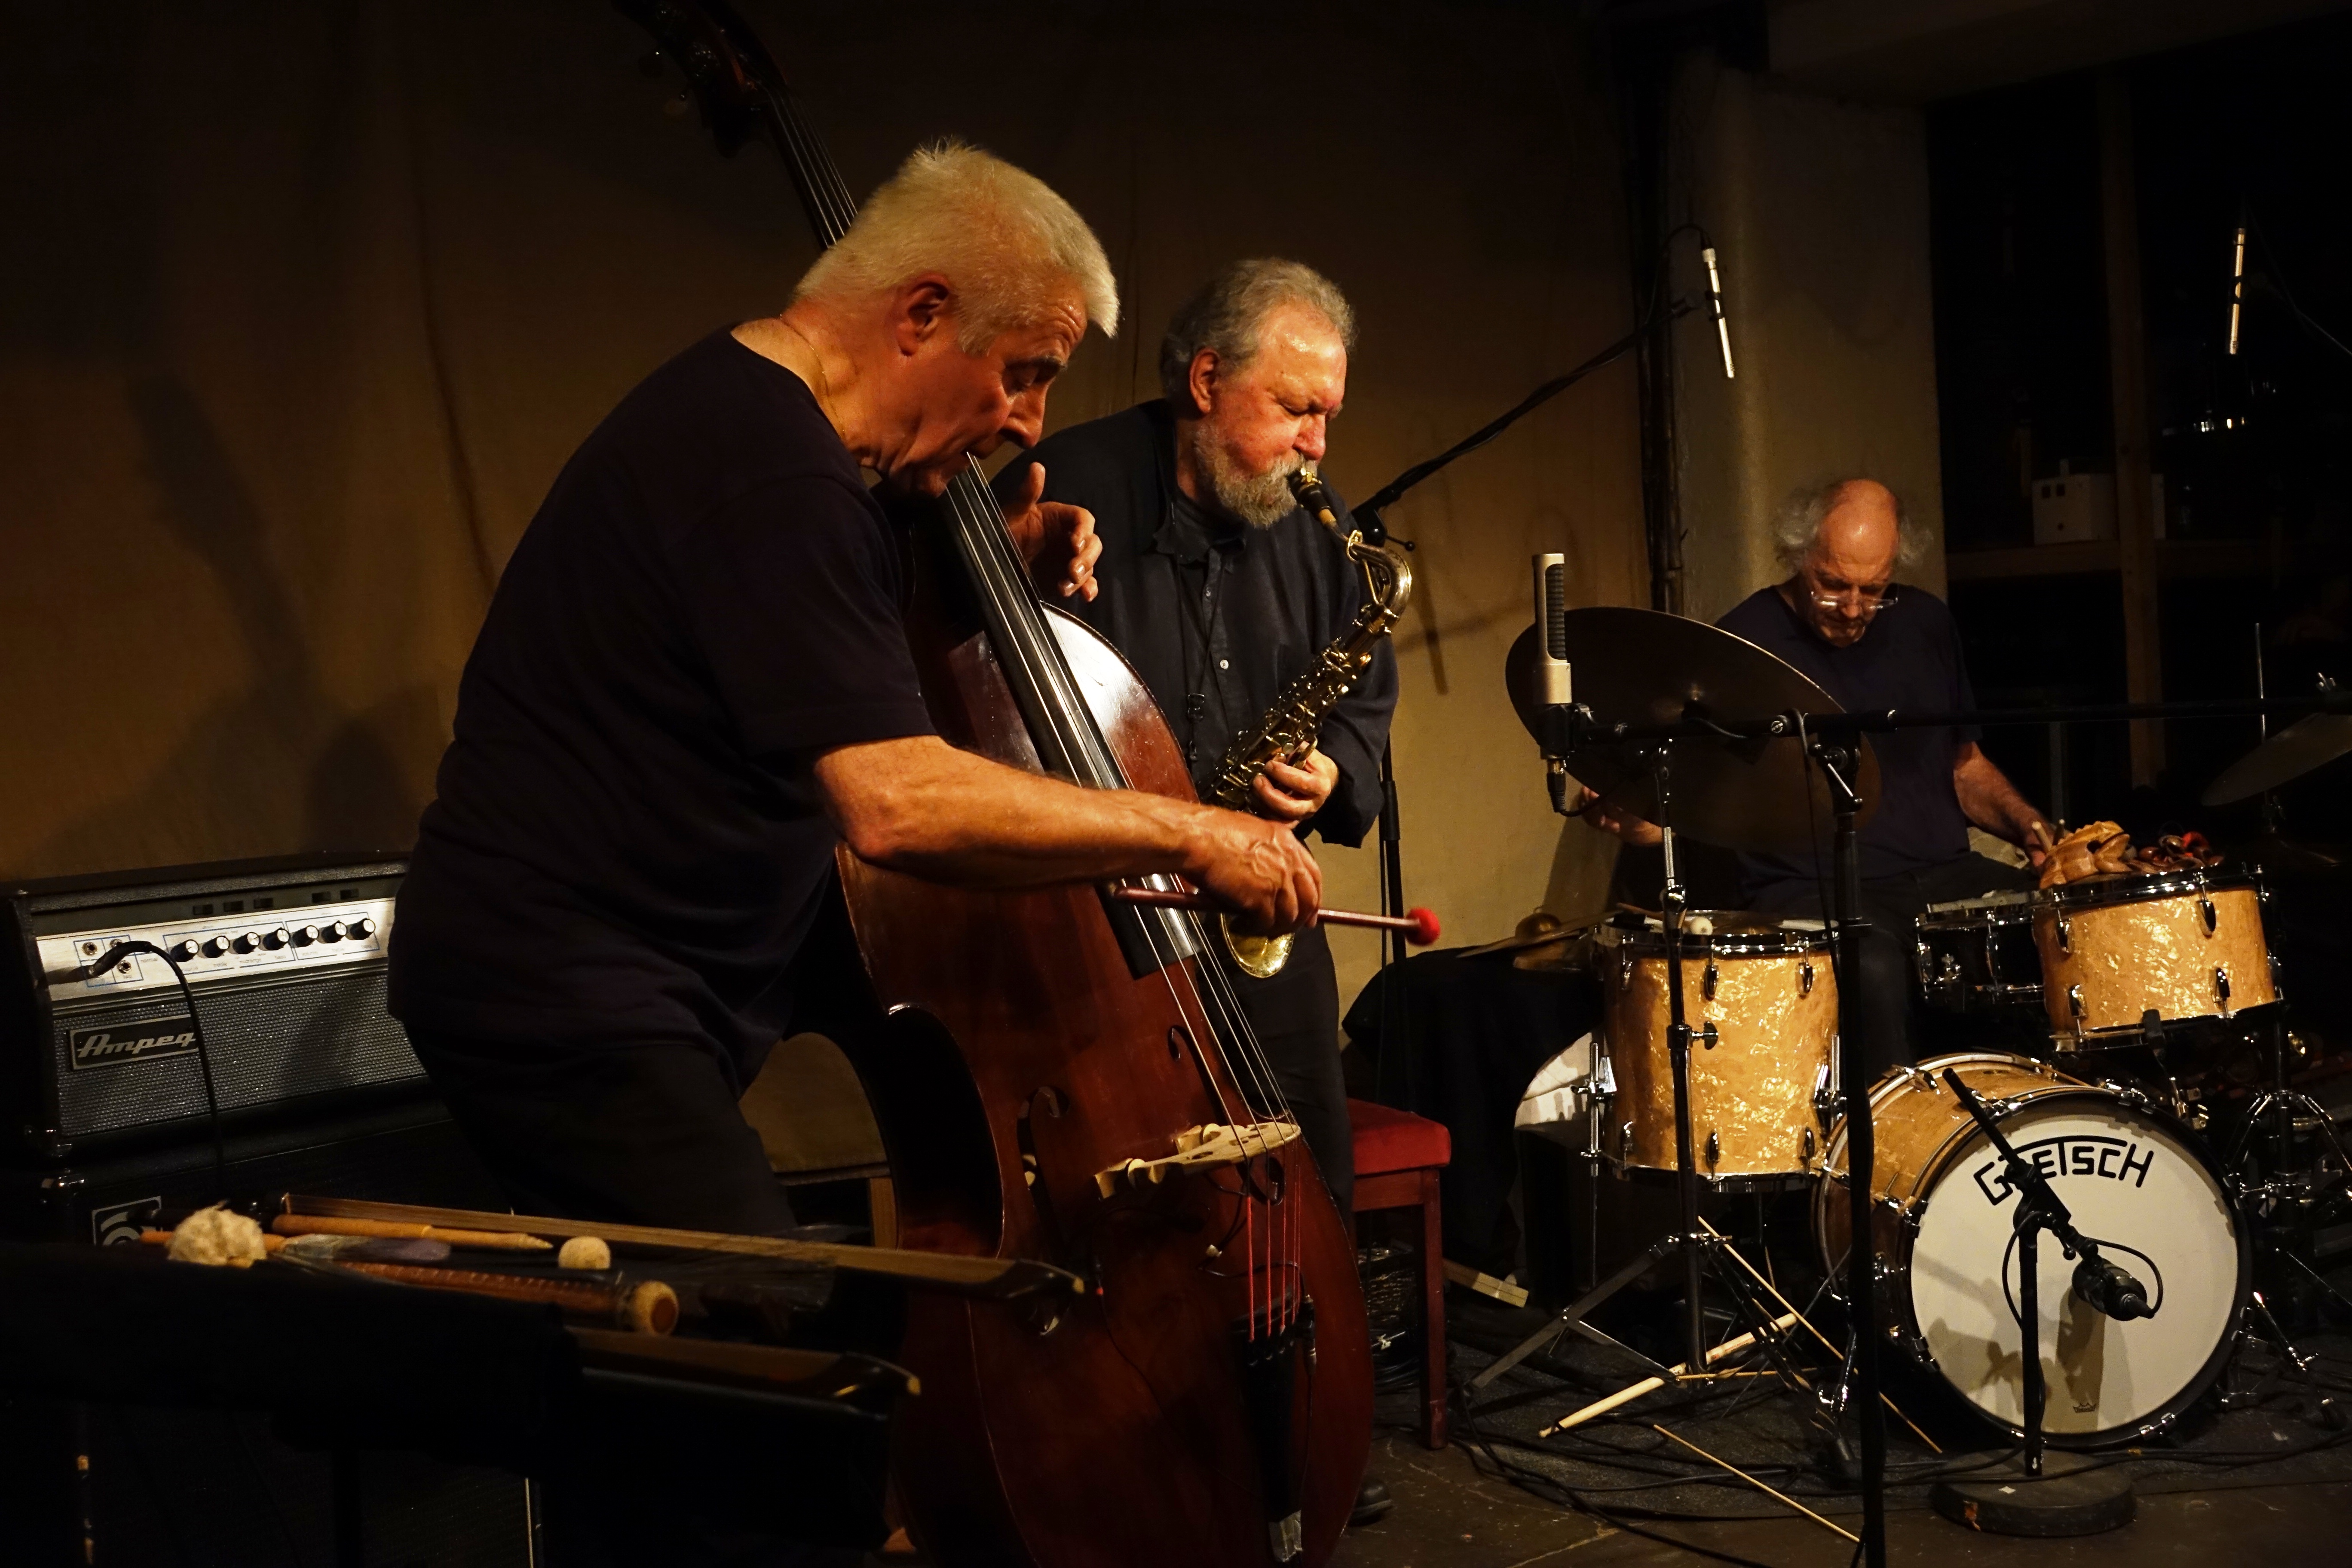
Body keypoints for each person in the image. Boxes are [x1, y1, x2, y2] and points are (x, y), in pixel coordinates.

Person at [386, 144, 1324, 1562]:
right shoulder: (768, 467)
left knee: (665, 1403)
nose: (1029, 418)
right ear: (919, 313)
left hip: (686, 947)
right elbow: (896, 803)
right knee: (759, 1367)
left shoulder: (786, 444)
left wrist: (981, 553)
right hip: (556, 981)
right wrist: (1194, 827)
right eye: (1022, 369)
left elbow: (809, 646)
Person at [990, 260, 1396, 1220]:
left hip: (1259, 914)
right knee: (1130, 1212)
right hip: (1103, 931)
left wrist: (1335, 761)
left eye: (1328, 417)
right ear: (1207, 382)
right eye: (1298, 409)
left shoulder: (1316, 525)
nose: (1317, 445)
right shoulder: (1060, 489)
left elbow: (1365, 686)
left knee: (1307, 1186)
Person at [1586, 477, 2048, 1076]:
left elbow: (1964, 767)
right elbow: (1697, 794)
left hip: (1943, 875)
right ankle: (1892, 1152)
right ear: (1799, 556)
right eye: (1833, 586)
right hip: (1811, 886)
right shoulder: (1740, 645)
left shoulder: (1926, 624)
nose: (1854, 609)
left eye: (1873, 591)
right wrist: (1644, 818)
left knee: (2051, 925)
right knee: (1874, 967)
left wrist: (2030, 823)